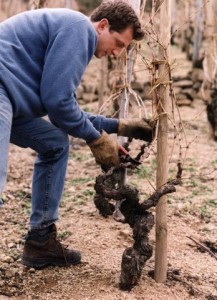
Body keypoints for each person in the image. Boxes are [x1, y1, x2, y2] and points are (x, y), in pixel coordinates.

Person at [0, 0, 153, 268]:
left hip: (10, 101)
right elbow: (59, 105)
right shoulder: (80, 28)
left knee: (55, 144)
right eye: (118, 43)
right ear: (102, 25)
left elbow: (65, 107)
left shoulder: (72, 32)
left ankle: (40, 241)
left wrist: (117, 127)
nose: (117, 53)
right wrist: (96, 139)